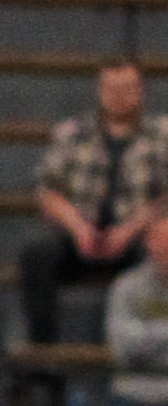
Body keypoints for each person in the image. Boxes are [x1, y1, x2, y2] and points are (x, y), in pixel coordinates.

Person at [20, 58, 168, 344]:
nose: (119, 96)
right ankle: (43, 353)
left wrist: (130, 229)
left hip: (139, 239)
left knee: (161, 253)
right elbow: (47, 191)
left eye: (127, 88)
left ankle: (145, 350)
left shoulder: (162, 135)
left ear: (141, 91)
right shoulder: (72, 133)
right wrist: (78, 228)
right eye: (112, 89)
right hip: (79, 237)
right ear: (100, 90)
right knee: (36, 257)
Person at [102, 207, 168, 406]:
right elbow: (122, 347)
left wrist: (145, 336)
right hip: (131, 395)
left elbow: (136, 341)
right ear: (148, 242)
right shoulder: (125, 287)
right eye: (161, 239)